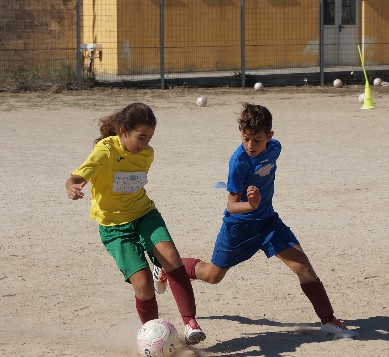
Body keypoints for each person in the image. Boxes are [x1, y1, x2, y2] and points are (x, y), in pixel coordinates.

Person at [154, 103, 357, 339]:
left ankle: (328, 321)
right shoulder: (239, 162)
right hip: (238, 228)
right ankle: (167, 267)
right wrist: (250, 205)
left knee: (303, 267)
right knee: (212, 276)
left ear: (270, 137)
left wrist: (260, 205)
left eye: (257, 140)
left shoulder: (275, 148)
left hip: (269, 223)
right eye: (246, 138)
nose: (250, 145)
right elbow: (231, 205)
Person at [65, 102, 206, 345]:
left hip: (144, 214)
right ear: (123, 131)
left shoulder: (147, 154)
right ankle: (154, 337)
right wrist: (72, 185)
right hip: (114, 227)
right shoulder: (105, 151)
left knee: (172, 259)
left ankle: (190, 322)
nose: (145, 144)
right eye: (141, 137)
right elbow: (79, 175)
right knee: (143, 286)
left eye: (150, 137)